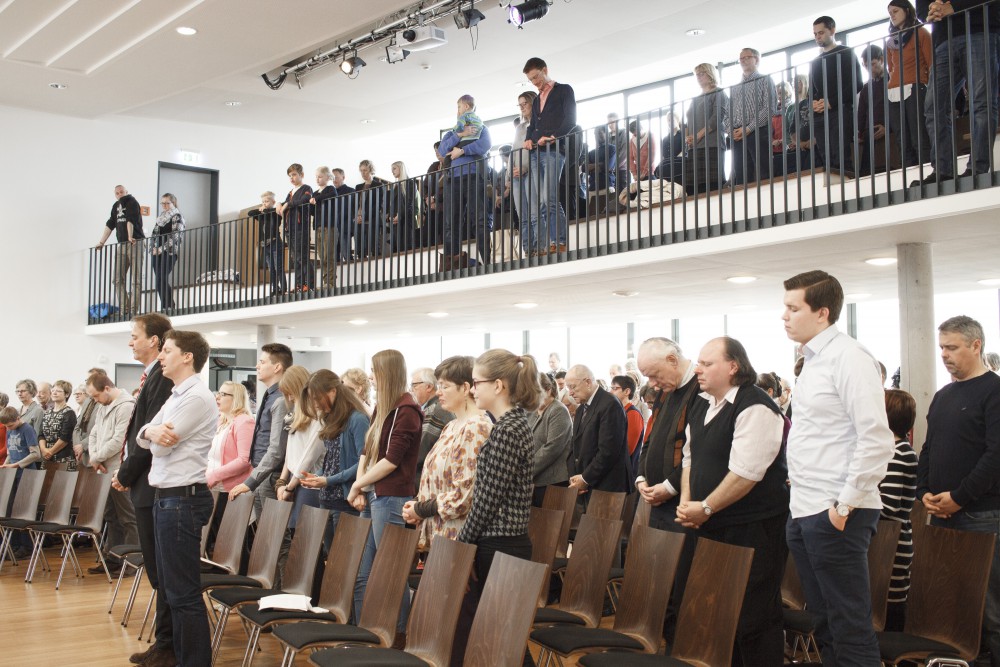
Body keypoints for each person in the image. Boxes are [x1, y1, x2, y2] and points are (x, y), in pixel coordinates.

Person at [782, 269, 894, 666]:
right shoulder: (814, 359)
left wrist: (844, 505)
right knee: (824, 621)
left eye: (794, 308)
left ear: (822, 312)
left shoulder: (849, 356)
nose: (785, 316)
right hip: (805, 506)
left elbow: (877, 439)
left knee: (849, 626)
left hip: (836, 509)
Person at [676, 337, 788, 665]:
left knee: (751, 618)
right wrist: (687, 502)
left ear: (733, 366)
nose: (698, 369)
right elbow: (689, 458)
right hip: (708, 522)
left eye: (707, 363)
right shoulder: (701, 403)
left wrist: (706, 506)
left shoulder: (755, 405)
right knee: (713, 612)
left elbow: (747, 473)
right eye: (698, 362)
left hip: (752, 529)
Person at [917, 315, 1000, 665]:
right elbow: (928, 448)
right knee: (949, 604)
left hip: (981, 513)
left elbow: (995, 455)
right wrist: (924, 490)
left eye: (952, 347)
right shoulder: (944, 394)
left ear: (976, 345)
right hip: (941, 512)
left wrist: (960, 497)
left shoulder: (994, 391)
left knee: (988, 606)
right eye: (941, 348)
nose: (945, 355)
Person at [137, 329, 218, 667]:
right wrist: (151, 432)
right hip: (168, 499)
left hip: (182, 500)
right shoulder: (176, 394)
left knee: (183, 594)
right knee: (173, 592)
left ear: (187, 357)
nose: (161, 356)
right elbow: (145, 434)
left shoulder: (197, 396)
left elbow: (159, 443)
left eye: (167, 350)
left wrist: (152, 434)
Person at [455, 350, 540, 666]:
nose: (473, 389)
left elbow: (487, 501)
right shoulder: (508, 425)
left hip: (502, 544)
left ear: (499, 385)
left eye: (477, 382)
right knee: (499, 636)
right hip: (500, 543)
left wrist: (462, 546)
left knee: (505, 637)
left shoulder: (508, 429)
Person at [346, 349, 422, 634]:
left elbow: (391, 460)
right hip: (374, 493)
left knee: (391, 571)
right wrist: (361, 486)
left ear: (387, 373)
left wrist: (357, 485)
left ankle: (399, 634)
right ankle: (362, 631)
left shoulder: (408, 410)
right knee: (364, 572)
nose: (370, 376)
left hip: (392, 496)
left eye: (374, 371)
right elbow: (367, 451)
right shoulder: (384, 406)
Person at [403, 355, 491, 550]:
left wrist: (421, 509)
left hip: (457, 537)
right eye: (438, 386)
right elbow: (435, 478)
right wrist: (417, 504)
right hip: (440, 532)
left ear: (466, 388)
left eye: (445, 386)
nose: (439, 392)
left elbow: (465, 495)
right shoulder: (451, 425)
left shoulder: (476, 427)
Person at [916, 0, 1000, 184]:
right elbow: (921, 9)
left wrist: (954, 6)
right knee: (933, 108)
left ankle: (977, 168)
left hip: (980, 29)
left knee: (982, 103)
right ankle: (943, 170)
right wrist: (930, 12)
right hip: (943, 39)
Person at [299, 369, 370, 550]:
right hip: (327, 498)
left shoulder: (358, 419)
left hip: (346, 501)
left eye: (317, 398)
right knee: (329, 558)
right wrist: (318, 476)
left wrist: (327, 479)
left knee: (343, 560)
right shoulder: (332, 418)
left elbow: (364, 464)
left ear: (333, 391)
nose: (315, 404)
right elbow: (332, 460)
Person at [229, 343, 292, 522]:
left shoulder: (280, 398)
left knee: (274, 533)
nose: (257, 366)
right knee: (265, 532)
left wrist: (251, 481)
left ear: (277, 367)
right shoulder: (271, 394)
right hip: (262, 473)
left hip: (270, 475)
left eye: (262, 362)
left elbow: (276, 449)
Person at [85, 370, 139, 574]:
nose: (95, 400)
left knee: (128, 517)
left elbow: (119, 440)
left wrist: (97, 457)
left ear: (107, 388)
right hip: (103, 468)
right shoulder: (103, 405)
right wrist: (94, 456)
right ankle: (113, 558)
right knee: (110, 516)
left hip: (119, 469)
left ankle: (132, 562)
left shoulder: (126, 406)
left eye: (96, 395)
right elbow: (94, 433)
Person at [523, 57, 577, 255]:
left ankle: (559, 241)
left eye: (537, 77)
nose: (535, 82)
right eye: (531, 80)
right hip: (536, 152)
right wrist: (528, 139)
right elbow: (533, 126)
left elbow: (571, 119)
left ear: (545, 70)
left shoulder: (564, 90)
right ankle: (552, 242)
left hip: (554, 150)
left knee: (550, 199)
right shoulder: (536, 100)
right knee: (542, 203)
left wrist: (555, 137)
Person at [879, 388, 918, 632]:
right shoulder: (887, 451)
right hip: (883, 541)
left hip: (892, 545)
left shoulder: (900, 453)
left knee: (889, 611)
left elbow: (889, 505)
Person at [564, 364, 630, 498]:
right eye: (568, 388)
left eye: (572, 387)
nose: (570, 392)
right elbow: (574, 446)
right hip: (587, 485)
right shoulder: (581, 408)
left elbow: (608, 451)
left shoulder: (610, 404)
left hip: (608, 487)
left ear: (588, 382)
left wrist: (585, 479)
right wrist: (575, 477)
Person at [439, 106, 493, 269]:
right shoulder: (451, 133)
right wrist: (460, 135)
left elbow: (485, 145)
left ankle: (488, 262)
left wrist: (462, 151)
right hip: (452, 180)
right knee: (451, 223)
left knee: (479, 219)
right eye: (459, 111)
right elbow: (442, 150)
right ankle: (452, 264)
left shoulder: (482, 129)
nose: (460, 113)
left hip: (474, 176)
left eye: (463, 110)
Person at [204, 381, 254, 555]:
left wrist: (214, 475)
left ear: (236, 398)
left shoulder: (244, 421)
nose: (218, 397)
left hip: (233, 492)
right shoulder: (222, 422)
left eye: (224, 394)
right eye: (219, 393)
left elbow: (244, 460)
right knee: (219, 543)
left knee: (235, 547)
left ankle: (241, 581)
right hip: (217, 490)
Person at [809, 16, 864, 172]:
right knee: (826, 158)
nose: (818, 37)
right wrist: (814, 102)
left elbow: (856, 83)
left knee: (840, 156)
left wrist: (831, 102)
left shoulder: (846, 53)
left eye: (821, 32)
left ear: (832, 30)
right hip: (820, 114)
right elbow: (812, 91)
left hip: (840, 109)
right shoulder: (815, 62)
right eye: (815, 34)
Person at [274, 366, 322, 534]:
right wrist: (282, 482)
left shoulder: (319, 417)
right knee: (296, 538)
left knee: (304, 542)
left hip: (308, 486)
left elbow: (308, 458)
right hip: (295, 483)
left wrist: (289, 487)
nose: (290, 398)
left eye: (291, 392)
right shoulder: (294, 416)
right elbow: (291, 453)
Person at [886, 0, 933, 168]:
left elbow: (931, 63)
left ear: (907, 10)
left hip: (916, 87)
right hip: (893, 92)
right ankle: (909, 172)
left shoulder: (921, 33)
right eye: (890, 13)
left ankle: (926, 170)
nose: (892, 15)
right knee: (901, 138)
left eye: (895, 11)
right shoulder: (890, 42)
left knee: (918, 134)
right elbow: (891, 68)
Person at [725, 47, 778, 185]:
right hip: (737, 134)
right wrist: (730, 131)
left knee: (763, 170)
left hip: (757, 131)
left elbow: (769, 108)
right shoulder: (735, 88)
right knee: (741, 173)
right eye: (741, 58)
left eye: (747, 57)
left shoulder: (765, 80)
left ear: (756, 59)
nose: (743, 60)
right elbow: (727, 114)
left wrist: (748, 128)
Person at [96, 185, 145, 317]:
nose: (120, 194)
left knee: (136, 279)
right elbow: (110, 224)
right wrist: (101, 242)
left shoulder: (132, 202)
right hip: (122, 245)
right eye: (117, 193)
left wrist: (130, 236)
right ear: (115, 194)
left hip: (135, 243)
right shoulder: (115, 206)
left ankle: (133, 310)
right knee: (117, 279)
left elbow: (131, 220)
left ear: (126, 192)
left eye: (121, 192)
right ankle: (125, 309)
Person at [680, 63, 729, 194]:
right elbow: (687, 121)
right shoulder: (695, 98)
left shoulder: (718, 93)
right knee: (693, 187)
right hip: (694, 147)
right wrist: (688, 138)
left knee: (712, 185)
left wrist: (698, 136)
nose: (698, 77)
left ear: (710, 74)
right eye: (697, 74)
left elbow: (716, 118)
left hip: (711, 145)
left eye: (702, 73)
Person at [0, 406, 41, 559]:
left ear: (17, 419)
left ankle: (27, 546)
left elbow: (36, 454)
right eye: (6, 427)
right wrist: (7, 465)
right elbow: (11, 452)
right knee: (11, 510)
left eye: (10, 425)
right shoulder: (9, 429)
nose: (8, 429)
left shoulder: (27, 429)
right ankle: (14, 545)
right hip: (14, 473)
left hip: (27, 473)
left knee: (23, 511)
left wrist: (15, 465)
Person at [528, 372, 572, 507]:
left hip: (552, 482)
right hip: (535, 480)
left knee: (549, 526)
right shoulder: (532, 412)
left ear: (547, 391)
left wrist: (526, 469)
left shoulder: (558, 410)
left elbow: (551, 448)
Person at [505, 90, 540, 256]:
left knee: (534, 213)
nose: (522, 107)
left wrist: (525, 168)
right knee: (522, 216)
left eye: (524, 103)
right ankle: (527, 249)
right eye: (520, 105)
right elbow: (514, 150)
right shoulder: (519, 127)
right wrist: (508, 174)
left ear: (533, 103)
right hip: (516, 175)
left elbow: (532, 150)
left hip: (530, 171)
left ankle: (538, 247)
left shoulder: (538, 124)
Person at [411, 366, 455, 492]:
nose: (411, 390)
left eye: (414, 385)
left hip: (425, 483)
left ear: (429, 387)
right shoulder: (433, 408)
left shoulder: (435, 410)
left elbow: (420, 451)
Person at [276, 163, 314, 292]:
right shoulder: (290, 192)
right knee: (294, 258)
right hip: (289, 229)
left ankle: (309, 284)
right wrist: (279, 203)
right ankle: (299, 284)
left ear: (301, 175)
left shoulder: (306, 188)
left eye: (294, 175)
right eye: (289, 176)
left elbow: (305, 200)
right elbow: (284, 205)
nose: (291, 178)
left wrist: (288, 204)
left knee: (302, 257)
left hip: (300, 228)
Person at [150, 193, 185, 310]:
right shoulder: (160, 218)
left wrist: (160, 249)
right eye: (162, 203)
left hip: (169, 252)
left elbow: (175, 236)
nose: (164, 205)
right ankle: (167, 305)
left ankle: (169, 306)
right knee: (159, 280)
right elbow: (154, 234)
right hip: (156, 253)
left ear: (173, 203)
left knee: (161, 278)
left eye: (167, 203)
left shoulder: (177, 216)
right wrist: (152, 248)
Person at [857, 45, 888, 176]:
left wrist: (887, 126)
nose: (869, 69)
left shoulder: (892, 80)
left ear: (881, 60)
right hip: (870, 133)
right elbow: (861, 114)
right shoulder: (865, 88)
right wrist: (860, 134)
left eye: (872, 64)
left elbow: (896, 107)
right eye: (865, 66)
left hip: (891, 129)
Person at [248, 191, 286, 296]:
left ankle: (283, 288)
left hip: (275, 242)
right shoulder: (261, 215)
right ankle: (275, 288)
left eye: (267, 201)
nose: (265, 203)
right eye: (263, 201)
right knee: (271, 268)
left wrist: (268, 209)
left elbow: (277, 210)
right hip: (265, 245)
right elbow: (250, 213)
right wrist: (260, 209)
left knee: (278, 267)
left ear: (273, 202)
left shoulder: (275, 213)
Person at [610, 374, 644, 486]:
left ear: (627, 391)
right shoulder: (617, 412)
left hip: (624, 474)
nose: (610, 391)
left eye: (615, 388)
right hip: (614, 471)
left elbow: (628, 448)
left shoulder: (633, 414)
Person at [311, 166, 339, 290]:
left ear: (327, 177)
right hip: (318, 227)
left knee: (329, 255)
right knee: (321, 256)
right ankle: (325, 281)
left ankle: (331, 282)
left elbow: (332, 194)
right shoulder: (315, 193)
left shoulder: (330, 189)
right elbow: (312, 210)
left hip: (329, 226)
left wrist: (316, 199)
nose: (317, 179)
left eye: (320, 176)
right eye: (316, 177)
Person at [38, 380, 77, 468]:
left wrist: (51, 451)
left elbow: (65, 437)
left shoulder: (69, 413)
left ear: (66, 394)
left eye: (58, 391)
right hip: (47, 456)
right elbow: (41, 434)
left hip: (63, 456)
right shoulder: (47, 413)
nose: (54, 393)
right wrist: (44, 450)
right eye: (53, 391)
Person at [355, 160, 389, 259]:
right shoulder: (358, 187)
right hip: (359, 221)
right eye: (361, 170)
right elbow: (355, 205)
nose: (363, 173)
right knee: (360, 249)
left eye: (365, 170)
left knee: (375, 248)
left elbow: (379, 205)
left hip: (372, 220)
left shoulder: (378, 185)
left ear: (371, 170)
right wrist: (356, 216)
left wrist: (364, 216)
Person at [388, 161, 419, 254]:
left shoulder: (410, 183)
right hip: (396, 222)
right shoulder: (396, 186)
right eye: (391, 169)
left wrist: (399, 216)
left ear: (401, 168)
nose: (392, 171)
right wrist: (390, 216)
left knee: (406, 246)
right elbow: (393, 204)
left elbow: (410, 203)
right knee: (396, 247)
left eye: (394, 168)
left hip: (406, 220)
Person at [628, 119, 657, 184]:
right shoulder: (632, 140)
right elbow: (630, 158)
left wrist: (644, 173)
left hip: (649, 172)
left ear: (641, 128)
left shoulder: (650, 136)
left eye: (637, 133)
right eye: (634, 135)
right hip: (638, 174)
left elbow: (652, 155)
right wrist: (634, 174)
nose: (636, 136)